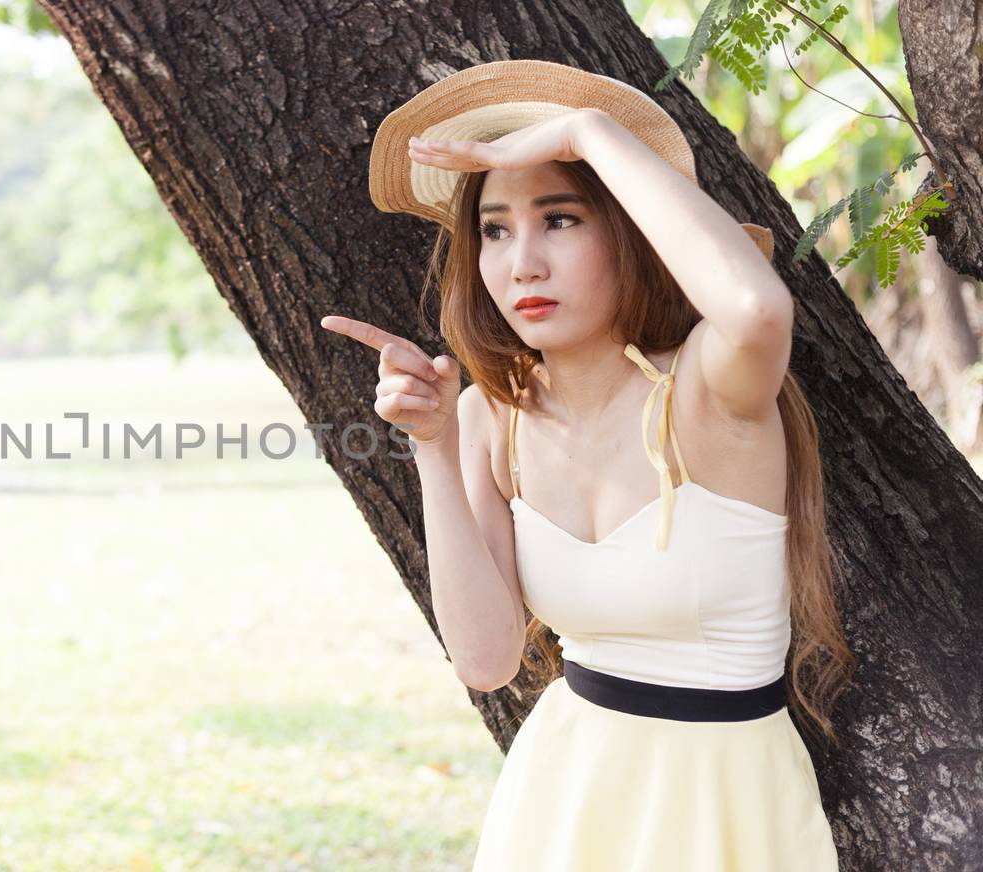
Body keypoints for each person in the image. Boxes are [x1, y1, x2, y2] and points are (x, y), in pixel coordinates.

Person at [321, 60, 855, 869]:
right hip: (566, 794)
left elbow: (755, 308)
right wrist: (433, 447)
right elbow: (486, 659)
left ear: (630, 235)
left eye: (560, 219)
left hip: (723, 801)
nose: (521, 263)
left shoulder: (710, 389)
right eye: (494, 230)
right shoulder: (489, 415)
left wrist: (587, 130)